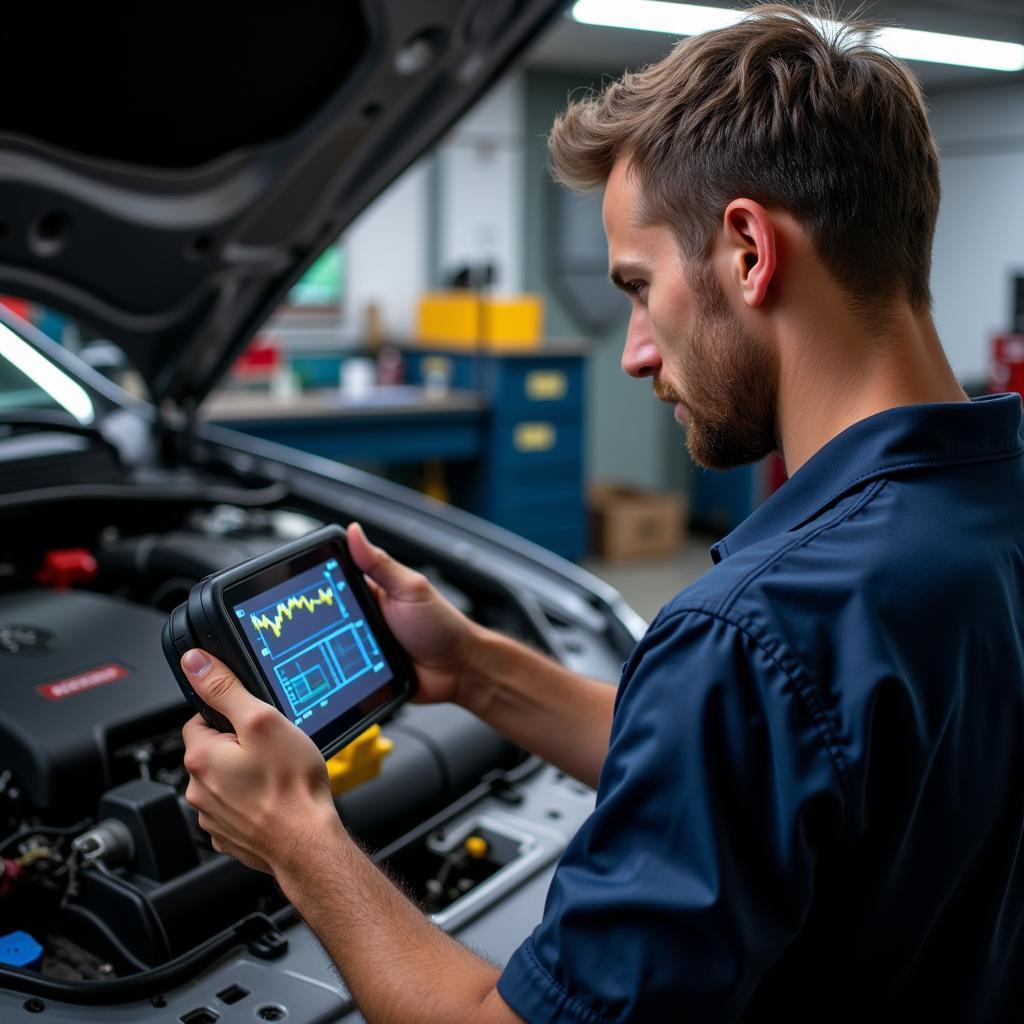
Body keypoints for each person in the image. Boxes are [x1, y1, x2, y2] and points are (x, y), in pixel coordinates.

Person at [179, 5, 1024, 1021]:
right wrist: (475, 666)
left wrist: (299, 839)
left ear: (749, 252)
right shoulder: (981, 512)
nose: (632, 350)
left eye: (638, 286)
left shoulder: (756, 631)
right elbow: (778, 762)